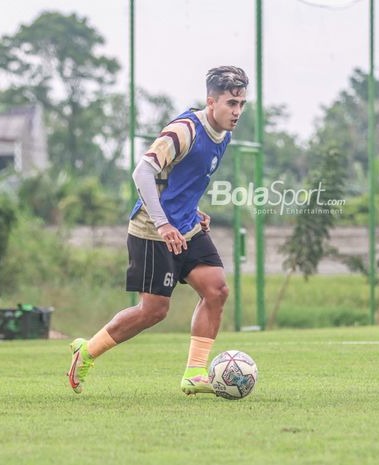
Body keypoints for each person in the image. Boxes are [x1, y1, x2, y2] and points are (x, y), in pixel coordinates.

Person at [67, 66, 248, 395]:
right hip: (152, 229)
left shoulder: (225, 135)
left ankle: (195, 373)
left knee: (216, 290)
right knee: (154, 310)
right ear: (211, 102)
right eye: (230, 104)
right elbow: (142, 173)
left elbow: (183, 180)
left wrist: (191, 211)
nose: (236, 112)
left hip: (187, 227)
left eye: (241, 104)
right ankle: (88, 351)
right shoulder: (184, 130)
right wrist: (164, 223)